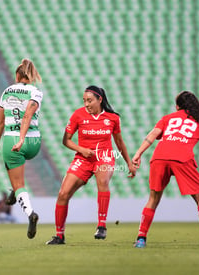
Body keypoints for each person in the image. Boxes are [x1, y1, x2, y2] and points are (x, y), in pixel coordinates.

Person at [132, 91, 199, 248]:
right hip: (182, 159)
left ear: (177, 106)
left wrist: (138, 153)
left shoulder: (168, 118)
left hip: (159, 157)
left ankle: (141, 239)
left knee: (153, 198)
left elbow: (152, 135)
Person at [46, 85, 136, 245]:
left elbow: (119, 142)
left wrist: (129, 163)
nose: (86, 104)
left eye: (89, 100)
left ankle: (101, 226)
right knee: (63, 194)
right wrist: (82, 150)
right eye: (84, 101)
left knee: (103, 181)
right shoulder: (78, 115)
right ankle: (59, 236)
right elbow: (65, 140)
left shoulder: (112, 118)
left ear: (100, 99)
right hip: (83, 159)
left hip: (104, 157)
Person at [0, 58, 42, 239]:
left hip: (13, 140)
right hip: (34, 142)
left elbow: (1, 122)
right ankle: (14, 191)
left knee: (18, 183)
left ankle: (30, 213)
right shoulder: (35, 92)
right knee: (18, 171)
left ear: (17, 75)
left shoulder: (7, 92)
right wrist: (25, 139)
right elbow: (29, 114)